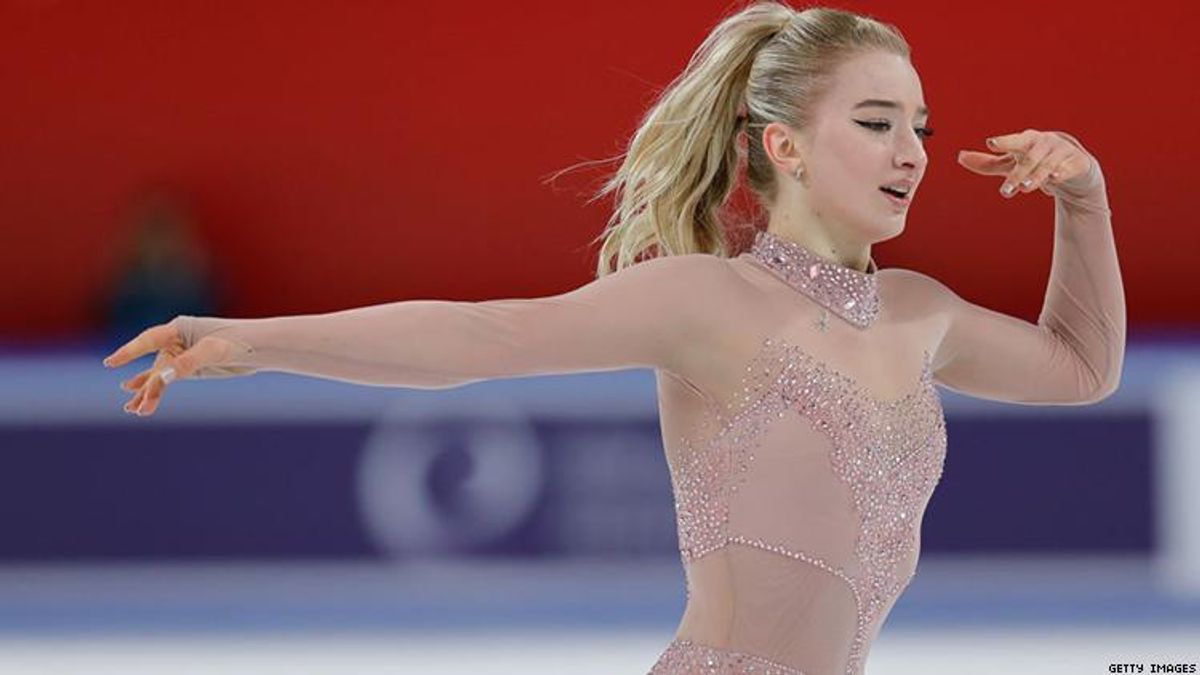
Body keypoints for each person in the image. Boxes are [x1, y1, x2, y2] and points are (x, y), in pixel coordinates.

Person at [101, 2, 1125, 673]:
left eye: (920, 127)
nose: (912, 152)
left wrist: (1083, 197)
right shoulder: (706, 301)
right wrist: (251, 341)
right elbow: (484, 335)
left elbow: (1084, 368)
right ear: (784, 145)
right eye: (876, 122)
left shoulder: (919, 312)